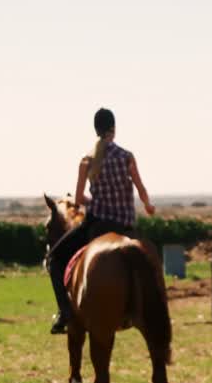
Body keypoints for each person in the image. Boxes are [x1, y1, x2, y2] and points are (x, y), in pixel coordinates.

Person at [47, 107, 157, 334]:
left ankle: (65, 312)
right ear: (113, 129)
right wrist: (147, 206)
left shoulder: (87, 161)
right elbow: (141, 188)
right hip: (126, 226)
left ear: (95, 129)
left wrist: (94, 200)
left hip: (98, 225)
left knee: (55, 258)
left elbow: (78, 200)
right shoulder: (127, 156)